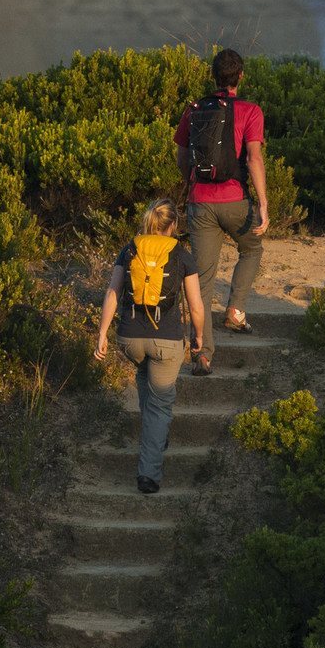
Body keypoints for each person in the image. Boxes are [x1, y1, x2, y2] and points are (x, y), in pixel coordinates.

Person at [93, 199, 207, 494]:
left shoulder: (130, 249)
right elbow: (196, 306)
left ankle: (156, 438)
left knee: (145, 381)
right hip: (167, 340)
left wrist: (103, 333)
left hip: (130, 338)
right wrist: (199, 338)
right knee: (160, 404)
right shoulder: (181, 254)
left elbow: (113, 292)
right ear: (172, 226)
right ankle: (149, 475)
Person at [176, 46, 269, 341]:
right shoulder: (250, 111)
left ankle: (202, 354)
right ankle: (235, 311)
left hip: (200, 202)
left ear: (214, 76)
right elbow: (254, 159)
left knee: (201, 281)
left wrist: (192, 185)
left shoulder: (193, 110)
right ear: (240, 76)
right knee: (252, 248)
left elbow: (180, 156)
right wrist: (263, 204)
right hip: (236, 201)